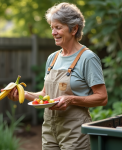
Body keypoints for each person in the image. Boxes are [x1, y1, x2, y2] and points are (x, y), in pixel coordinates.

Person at [8, 2, 108, 150]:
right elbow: (45, 94)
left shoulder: (88, 58)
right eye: (52, 28)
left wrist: (71, 99)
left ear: (74, 29)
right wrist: (23, 94)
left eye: (58, 27)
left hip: (74, 131)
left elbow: (102, 97)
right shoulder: (52, 58)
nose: (53, 32)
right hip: (49, 129)